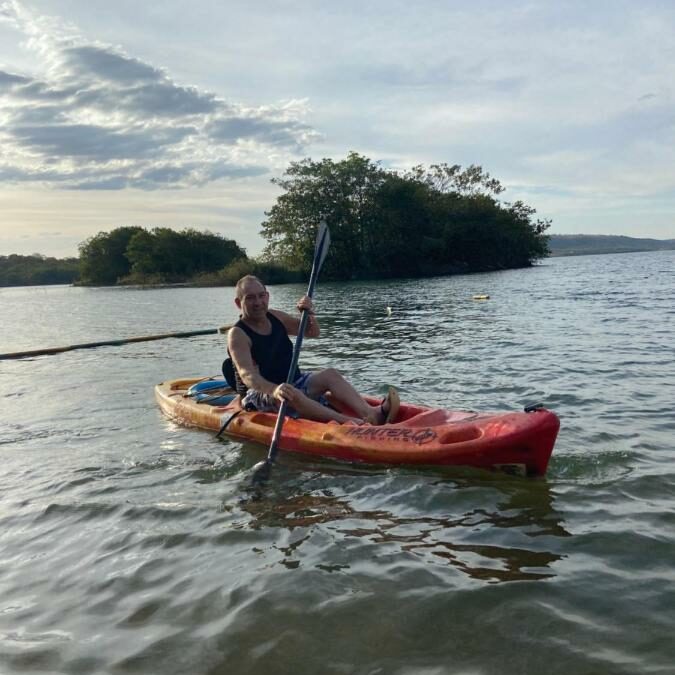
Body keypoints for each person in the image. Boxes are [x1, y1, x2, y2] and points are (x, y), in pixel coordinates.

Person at [225, 275, 399, 425]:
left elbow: (312, 332)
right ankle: (353, 424)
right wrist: (274, 390)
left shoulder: (276, 316)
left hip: (293, 381)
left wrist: (308, 313)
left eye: (261, 296)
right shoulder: (237, 334)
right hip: (260, 394)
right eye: (250, 298)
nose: (258, 302)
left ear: (267, 296)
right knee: (291, 393)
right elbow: (248, 376)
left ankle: (371, 413)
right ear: (238, 303)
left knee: (330, 374)